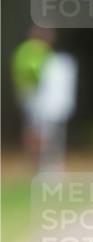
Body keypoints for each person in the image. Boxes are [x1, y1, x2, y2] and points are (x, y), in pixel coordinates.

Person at [12, 27, 77, 170]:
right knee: (36, 129)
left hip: (40, 97)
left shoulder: (42, 52)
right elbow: (30, 71)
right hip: (33, 95)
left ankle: (41, 158)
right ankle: (36, 159)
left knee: (40, 129)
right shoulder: (30, 50)